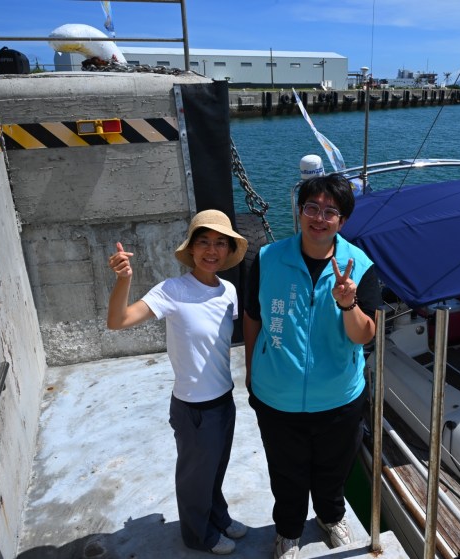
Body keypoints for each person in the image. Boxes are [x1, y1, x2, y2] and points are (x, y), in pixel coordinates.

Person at [243, 173, 382, 559]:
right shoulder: (268, 258)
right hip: (277, 394)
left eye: (330, 212)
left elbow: (364, 335)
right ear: (299, 211)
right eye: (312, 208)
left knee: (333, 469)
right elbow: (252, 316)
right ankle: (288, 531)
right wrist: (251, 369)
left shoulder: (360, 266)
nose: (319, 218)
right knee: (285, 471)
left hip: (339, 397)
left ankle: (330, 516)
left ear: (343, 220)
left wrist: (347, 303)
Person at [107, 209, 249, 555]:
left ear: (229, 250)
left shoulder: (228, 291)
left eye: (220, 243)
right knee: (194, 477)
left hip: (224, 399)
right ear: (191, 248)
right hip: (193, 406)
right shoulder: (172, 290)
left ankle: (217, 515)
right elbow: (118, 320)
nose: (212, 250)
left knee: (215, 469)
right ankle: (198, 535)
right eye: (204, 242)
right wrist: (123, 279)